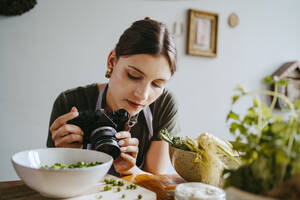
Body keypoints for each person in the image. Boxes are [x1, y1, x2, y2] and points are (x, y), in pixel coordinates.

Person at [47, 17, 180, 176]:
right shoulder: (70, 102)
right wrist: (64, 157)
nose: (143, 95)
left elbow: (156, 181)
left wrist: (130, 169)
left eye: (157, 84)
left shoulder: (163, 105)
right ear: (111, 61)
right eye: (133, 76)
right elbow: (53, 179)